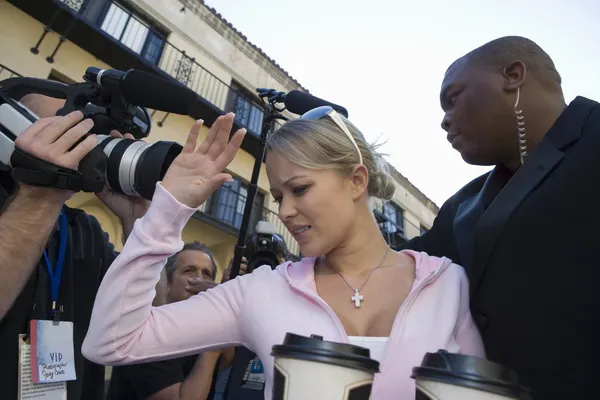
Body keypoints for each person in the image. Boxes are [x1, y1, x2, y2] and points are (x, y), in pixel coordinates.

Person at [82, 106, 485, 399]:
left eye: (300, 189)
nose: (284, 211)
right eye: (277, 196)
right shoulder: (260, 292)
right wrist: (165, 214)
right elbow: (112, 343)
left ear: (356, 180)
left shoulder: (448, 283)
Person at [398, 36, 600, 399]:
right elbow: (396, 270)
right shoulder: (463, 204)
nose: (444, 121)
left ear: (513, 75)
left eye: (453, 98)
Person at [0, 93, 150, 400]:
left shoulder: (84, 230)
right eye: (62, 130)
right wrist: (43, 193)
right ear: (12, 128)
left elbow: (136, 322)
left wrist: (144, 226)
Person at [106, 242, 246, 400]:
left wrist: (229, 290)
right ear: (168, 284)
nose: (199, 280)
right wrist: (212, 350)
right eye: (189, 271)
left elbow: (227, 356)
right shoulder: (150, 333)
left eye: (206, 274)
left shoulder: (197, 332)